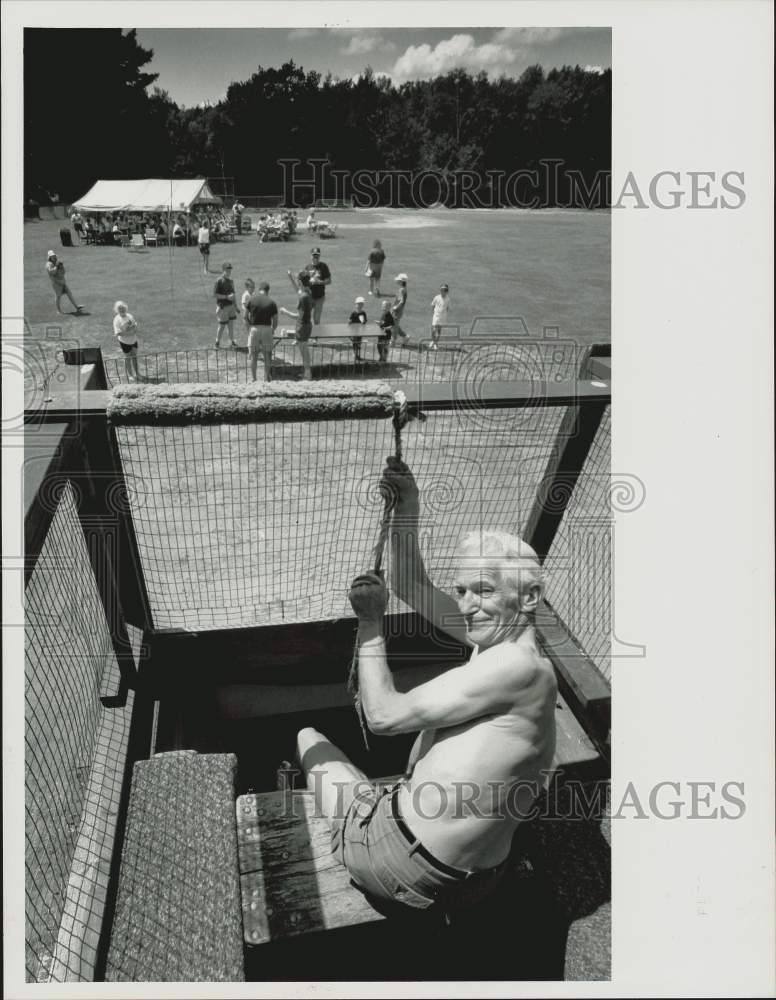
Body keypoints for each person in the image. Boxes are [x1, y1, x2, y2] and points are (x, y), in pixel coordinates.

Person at [295, 460, 557, 915]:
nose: (468, 607)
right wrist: (408, 506)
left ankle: (361, 818)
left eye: (484, 590)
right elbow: (410, 585)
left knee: (309, 740)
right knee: (385, 786)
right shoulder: (502, 641)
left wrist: (371, 622)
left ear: (529, 597)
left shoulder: (517, 667)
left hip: (402, 867)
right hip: (476, 878)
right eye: (461, 591)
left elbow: (381, 717)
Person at [280, 270, 314, 380]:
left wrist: (285, 312)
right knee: (304, 350)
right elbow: (298, 290)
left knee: (304, 352)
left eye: (297, 279)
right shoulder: (308, 292)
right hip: (307, 325)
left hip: (302, 327)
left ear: (300, 281)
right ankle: (307, 373)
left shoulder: (303, 298)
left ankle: (308, 375)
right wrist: (290, 278)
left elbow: (298, 316)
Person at [246, 281, 278, 382]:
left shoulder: (251, 299)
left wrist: (249, 327)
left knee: (254, 355)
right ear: (267, 291)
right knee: (267, 355)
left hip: (254, 329)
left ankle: (254, 379)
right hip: (267, 329)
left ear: (259, 290)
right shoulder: (272, 302)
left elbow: (245, 315)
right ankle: (266, 378)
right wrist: (273, 329)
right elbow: (275, 319)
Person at [113, 300, 140, 382]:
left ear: (126, 308)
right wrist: (130, 333)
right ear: (117, 310)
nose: (122, 310)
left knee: (134, 357)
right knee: (128, 358)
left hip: (134, 340)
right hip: (125, 342)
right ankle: (131, 375)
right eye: (120, 309)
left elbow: (134, 324)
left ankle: (137, 373)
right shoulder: (117, 319)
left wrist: (135, 328)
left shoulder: (129, 316)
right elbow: (118, 333)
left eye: (123, 308)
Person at [214, 262, 238, 348]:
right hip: (223, 307)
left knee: (231, 325)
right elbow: (215, 295)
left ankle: (232, 341)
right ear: (223, 270)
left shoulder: (231, 281)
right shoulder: (219, 281)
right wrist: (227, 297)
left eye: (230, 270)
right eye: (227, 270)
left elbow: (233, 294)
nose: (229, 272)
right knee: (222, 325)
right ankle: (217, 342)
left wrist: (236, 306)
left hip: (231, 307)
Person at [306, 248, 331, 325]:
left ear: (319, 256)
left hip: (320, 297)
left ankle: (316, 336)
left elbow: (329, 281)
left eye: (317, 256)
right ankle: (307, 334)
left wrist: (320, 282)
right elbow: (304, 282)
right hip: (309, 297)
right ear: (311, 256)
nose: (315, 258)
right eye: (314, 255)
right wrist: (309, 282)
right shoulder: (307, 267)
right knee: (305, 317)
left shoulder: (323, 266)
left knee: (316, 319)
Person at [348, 296, 368, 363]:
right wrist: (350, 322)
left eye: (361, 304)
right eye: (359, 304)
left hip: (360, 331)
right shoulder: (353, 313)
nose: (360, 305)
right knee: (355, 342)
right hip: (354, 331)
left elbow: (365, 321)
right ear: (356, 304)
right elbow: (350, 321)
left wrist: (363, 321)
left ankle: (357, 354)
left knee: (359, 342)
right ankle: (355, 354)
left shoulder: (363, 313)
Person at [430, 283, 450, 350]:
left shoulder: (448, 299)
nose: (442, 291)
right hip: (436, 316)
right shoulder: (437, 297)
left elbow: (447, 308)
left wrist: (445, 315)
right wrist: (434, 313)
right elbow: (432, 305)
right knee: (433, 330)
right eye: (441, 290)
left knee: (438, 331)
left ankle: (435, 343)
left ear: (446, 291)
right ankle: (433, 341)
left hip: (442, 317)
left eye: (444, 290)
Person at [392, 273, 409, 344]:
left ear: (402, 282)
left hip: (398, 310)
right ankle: (405, 336)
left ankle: (393, 340)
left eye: (399, 280)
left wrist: (396, 307)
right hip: (398, 310)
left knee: (394, 326)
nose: (397, 281)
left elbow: (402, 301)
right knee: (394, 324)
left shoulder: (402, 290)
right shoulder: (403, 289)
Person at [377, 299, 393, 364]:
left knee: (385, 348)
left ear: (389, 308)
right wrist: (379, 323)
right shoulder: (383, 314)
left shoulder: (390, 316)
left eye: (385, 306)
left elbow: (392, 326)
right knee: (379, 346)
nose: (384, 307)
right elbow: (382, 322)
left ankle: (384, 360)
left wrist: (385, 328)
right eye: (383, 306)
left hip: (386, 335)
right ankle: (381, 357)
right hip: (381, 334)